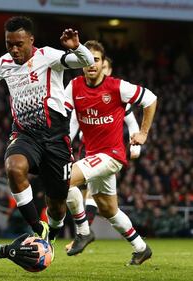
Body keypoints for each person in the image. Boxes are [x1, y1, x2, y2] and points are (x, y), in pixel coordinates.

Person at [0, 16, 94, 251]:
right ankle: (37, 227)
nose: (14, 50)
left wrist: (77, 47)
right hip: (25, 135)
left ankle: (52, 232)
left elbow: (83, 62)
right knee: (13, 167)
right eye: (9, 44)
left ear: (31, 40)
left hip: (56, 138)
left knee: (56, 204)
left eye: (19, 44)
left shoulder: (48, 56)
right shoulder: (5, 62)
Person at [63, 40, 157, 265]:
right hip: (93, 156)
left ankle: (83, 232)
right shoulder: (74, 87)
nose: (91, 64)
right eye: (86, 59)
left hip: (112, 155)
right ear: (80, 63)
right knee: (109, 210)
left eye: (96, 59)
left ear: (103, 63)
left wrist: (141, 135)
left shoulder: (117, 87)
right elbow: (64, 117)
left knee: (62, 180)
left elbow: (150, 99)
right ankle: (141, 248)